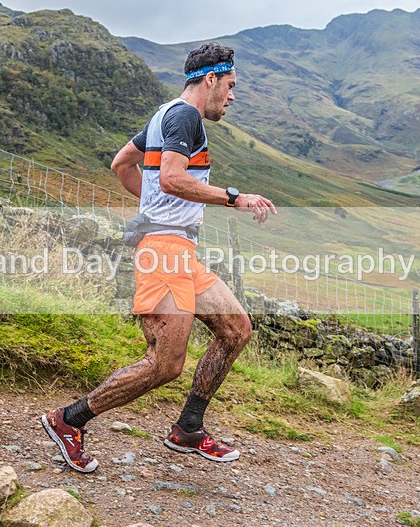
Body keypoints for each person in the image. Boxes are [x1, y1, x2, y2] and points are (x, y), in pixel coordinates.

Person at [41, 42, 276, 473]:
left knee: (236, 328)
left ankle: (188, 428)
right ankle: (68, 420)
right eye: (230, 85)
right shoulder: (185, 116)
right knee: (164, 364)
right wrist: (234, 198)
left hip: (179, 251)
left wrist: (152, 212)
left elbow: (121, 164)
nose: (232, 95)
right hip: (164, 254)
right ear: (211, 80)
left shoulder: (164, 115)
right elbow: (170, 178)